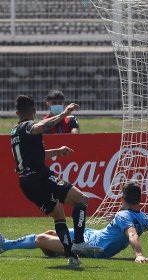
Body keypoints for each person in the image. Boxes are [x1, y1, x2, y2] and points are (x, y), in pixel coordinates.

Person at [10, 95, 103, 266]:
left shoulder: (14, 131)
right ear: (35, 111)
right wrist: (64, 114)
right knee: (81, 200)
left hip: (26, 182)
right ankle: (80, 242)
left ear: (17, 113)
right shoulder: (28, 125)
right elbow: (38, 126)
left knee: (59, 214)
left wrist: (57, 151)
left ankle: (72, 257)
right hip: (40, 177)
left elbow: (37, 155)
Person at [0, 182, 148, 263]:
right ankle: (7, 244)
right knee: (50, 234)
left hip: (92, 247)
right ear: (139, 199)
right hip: (90, 234)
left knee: (41, 239)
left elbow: (132, 234)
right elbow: (147, 226)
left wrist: (138, 254)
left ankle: (6, 245)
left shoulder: (123, 216)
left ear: (122, 197)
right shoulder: (143, 217)